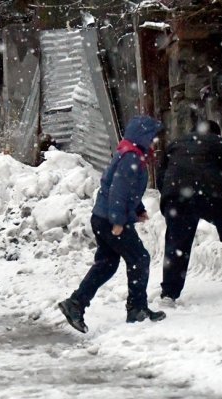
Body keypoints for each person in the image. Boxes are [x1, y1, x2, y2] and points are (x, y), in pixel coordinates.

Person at [58, 115, 167, 333]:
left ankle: (75, 303)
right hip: (110, 220)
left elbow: (125, 189)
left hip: (102, 217)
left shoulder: (130, 154)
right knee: (139, 258)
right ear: (143, 137)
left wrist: (138, 210)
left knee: (107, 263)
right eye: (153, 137)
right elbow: (118, 191)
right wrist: (118, 221)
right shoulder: (131, 159)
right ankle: (136, 308)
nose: (155, 141)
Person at [157, 120, 222, 305]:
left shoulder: (176, 144)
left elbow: (162, 175)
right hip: (212, 193)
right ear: (215, 133)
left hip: (177, 195)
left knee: (177, 243)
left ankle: (169, 294)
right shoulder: (217, 142)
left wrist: (172, 198)